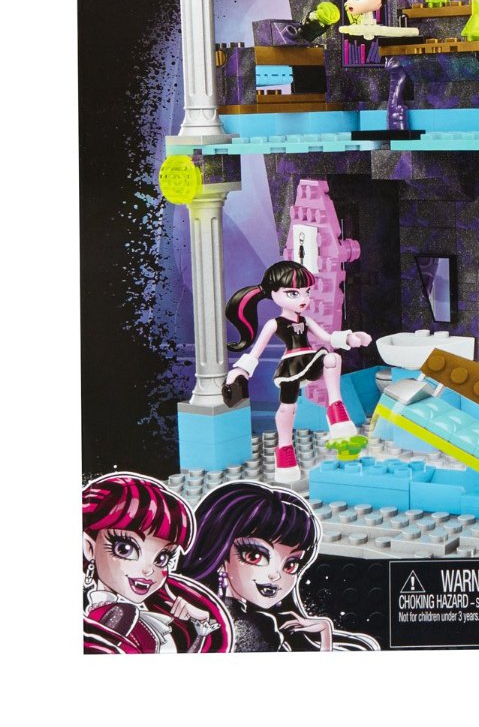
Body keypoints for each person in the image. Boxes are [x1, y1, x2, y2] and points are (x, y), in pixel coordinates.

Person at [181, 482, 377, 651]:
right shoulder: (253, 627)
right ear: (219, 554)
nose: (275, 575)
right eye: (254, 556)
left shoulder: (203, 618)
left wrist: (325, 631)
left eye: (290, 564)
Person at [224, 260, 373, 483]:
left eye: (307, 292)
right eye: (293, 293)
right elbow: (256, 352)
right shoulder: (275, 324)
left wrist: (350, 337)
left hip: (310, 360)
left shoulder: (306, 320)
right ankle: (285, 450)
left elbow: (327, 338)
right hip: (290, 368)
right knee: (287, 408)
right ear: (273, 293)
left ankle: (335, 409)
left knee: (332, 358)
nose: (303, 299)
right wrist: (241, 371)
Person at [82, 473, 232, 654]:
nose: (148, 570)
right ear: (89, 548)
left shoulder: (132, 612)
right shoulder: (118, 614)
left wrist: (201, 631)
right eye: (125, 549)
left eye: (162, 558)